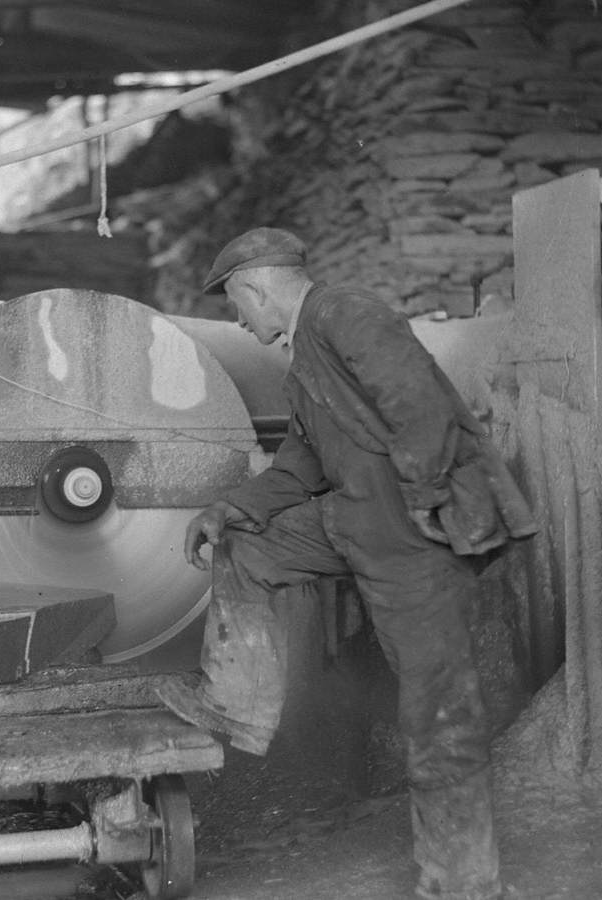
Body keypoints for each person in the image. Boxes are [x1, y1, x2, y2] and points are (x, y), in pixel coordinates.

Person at [156, 227, 537, 900]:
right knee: (251, 544)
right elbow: (300, 469)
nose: (240, 323)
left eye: (236, 308)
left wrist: (422, 496)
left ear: (256, 288)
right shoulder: (305, 361)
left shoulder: (346, 312)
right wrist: (227, 509)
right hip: (357, 525)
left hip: (412, 541)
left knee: (437, 711)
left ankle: (465, 881)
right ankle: (237, 703)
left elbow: (417, 402)